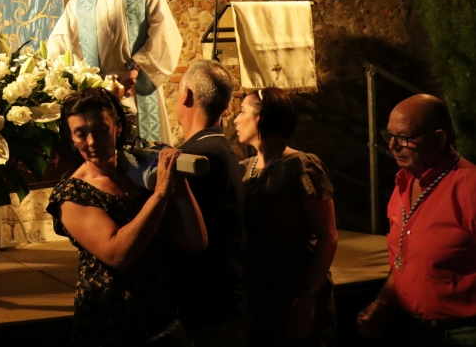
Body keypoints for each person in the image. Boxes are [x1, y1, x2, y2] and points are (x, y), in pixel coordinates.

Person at [46, 88, 208, 346]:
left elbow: (195, 241)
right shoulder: (72, 193)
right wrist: (160, 194)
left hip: (161, 314)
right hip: (111, 322)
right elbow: (118, 254)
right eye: (80, 134)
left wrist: (177, 180)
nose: (91, 142)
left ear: (118, 127)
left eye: (100, 130)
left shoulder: (140, 174)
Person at [357, 94, 476, 346]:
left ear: (439, 139)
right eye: (388, 135)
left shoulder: (469, 188)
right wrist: (383, 302)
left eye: (405, 138)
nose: (392, 145)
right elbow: (404, 258)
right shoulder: (404, 184)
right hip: (416, 330)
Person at [47, 0, 182, 143]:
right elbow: (60, 39)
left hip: (136, 84)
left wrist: (137, 70)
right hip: (98, 87)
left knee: (145, 149)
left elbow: (164, 32)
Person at [235, 88, 338, 347]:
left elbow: (328, 237)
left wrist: (308, 296)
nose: (236, 119)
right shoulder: (244, 171)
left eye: (243, 112)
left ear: (261, 118)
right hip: (260, 291)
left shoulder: (300, 166)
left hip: (294, 288)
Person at [174, 60, 248, 346]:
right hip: (224, 297)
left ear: (186, 95)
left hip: (208, 304)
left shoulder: (197, 160)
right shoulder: (219, 148)